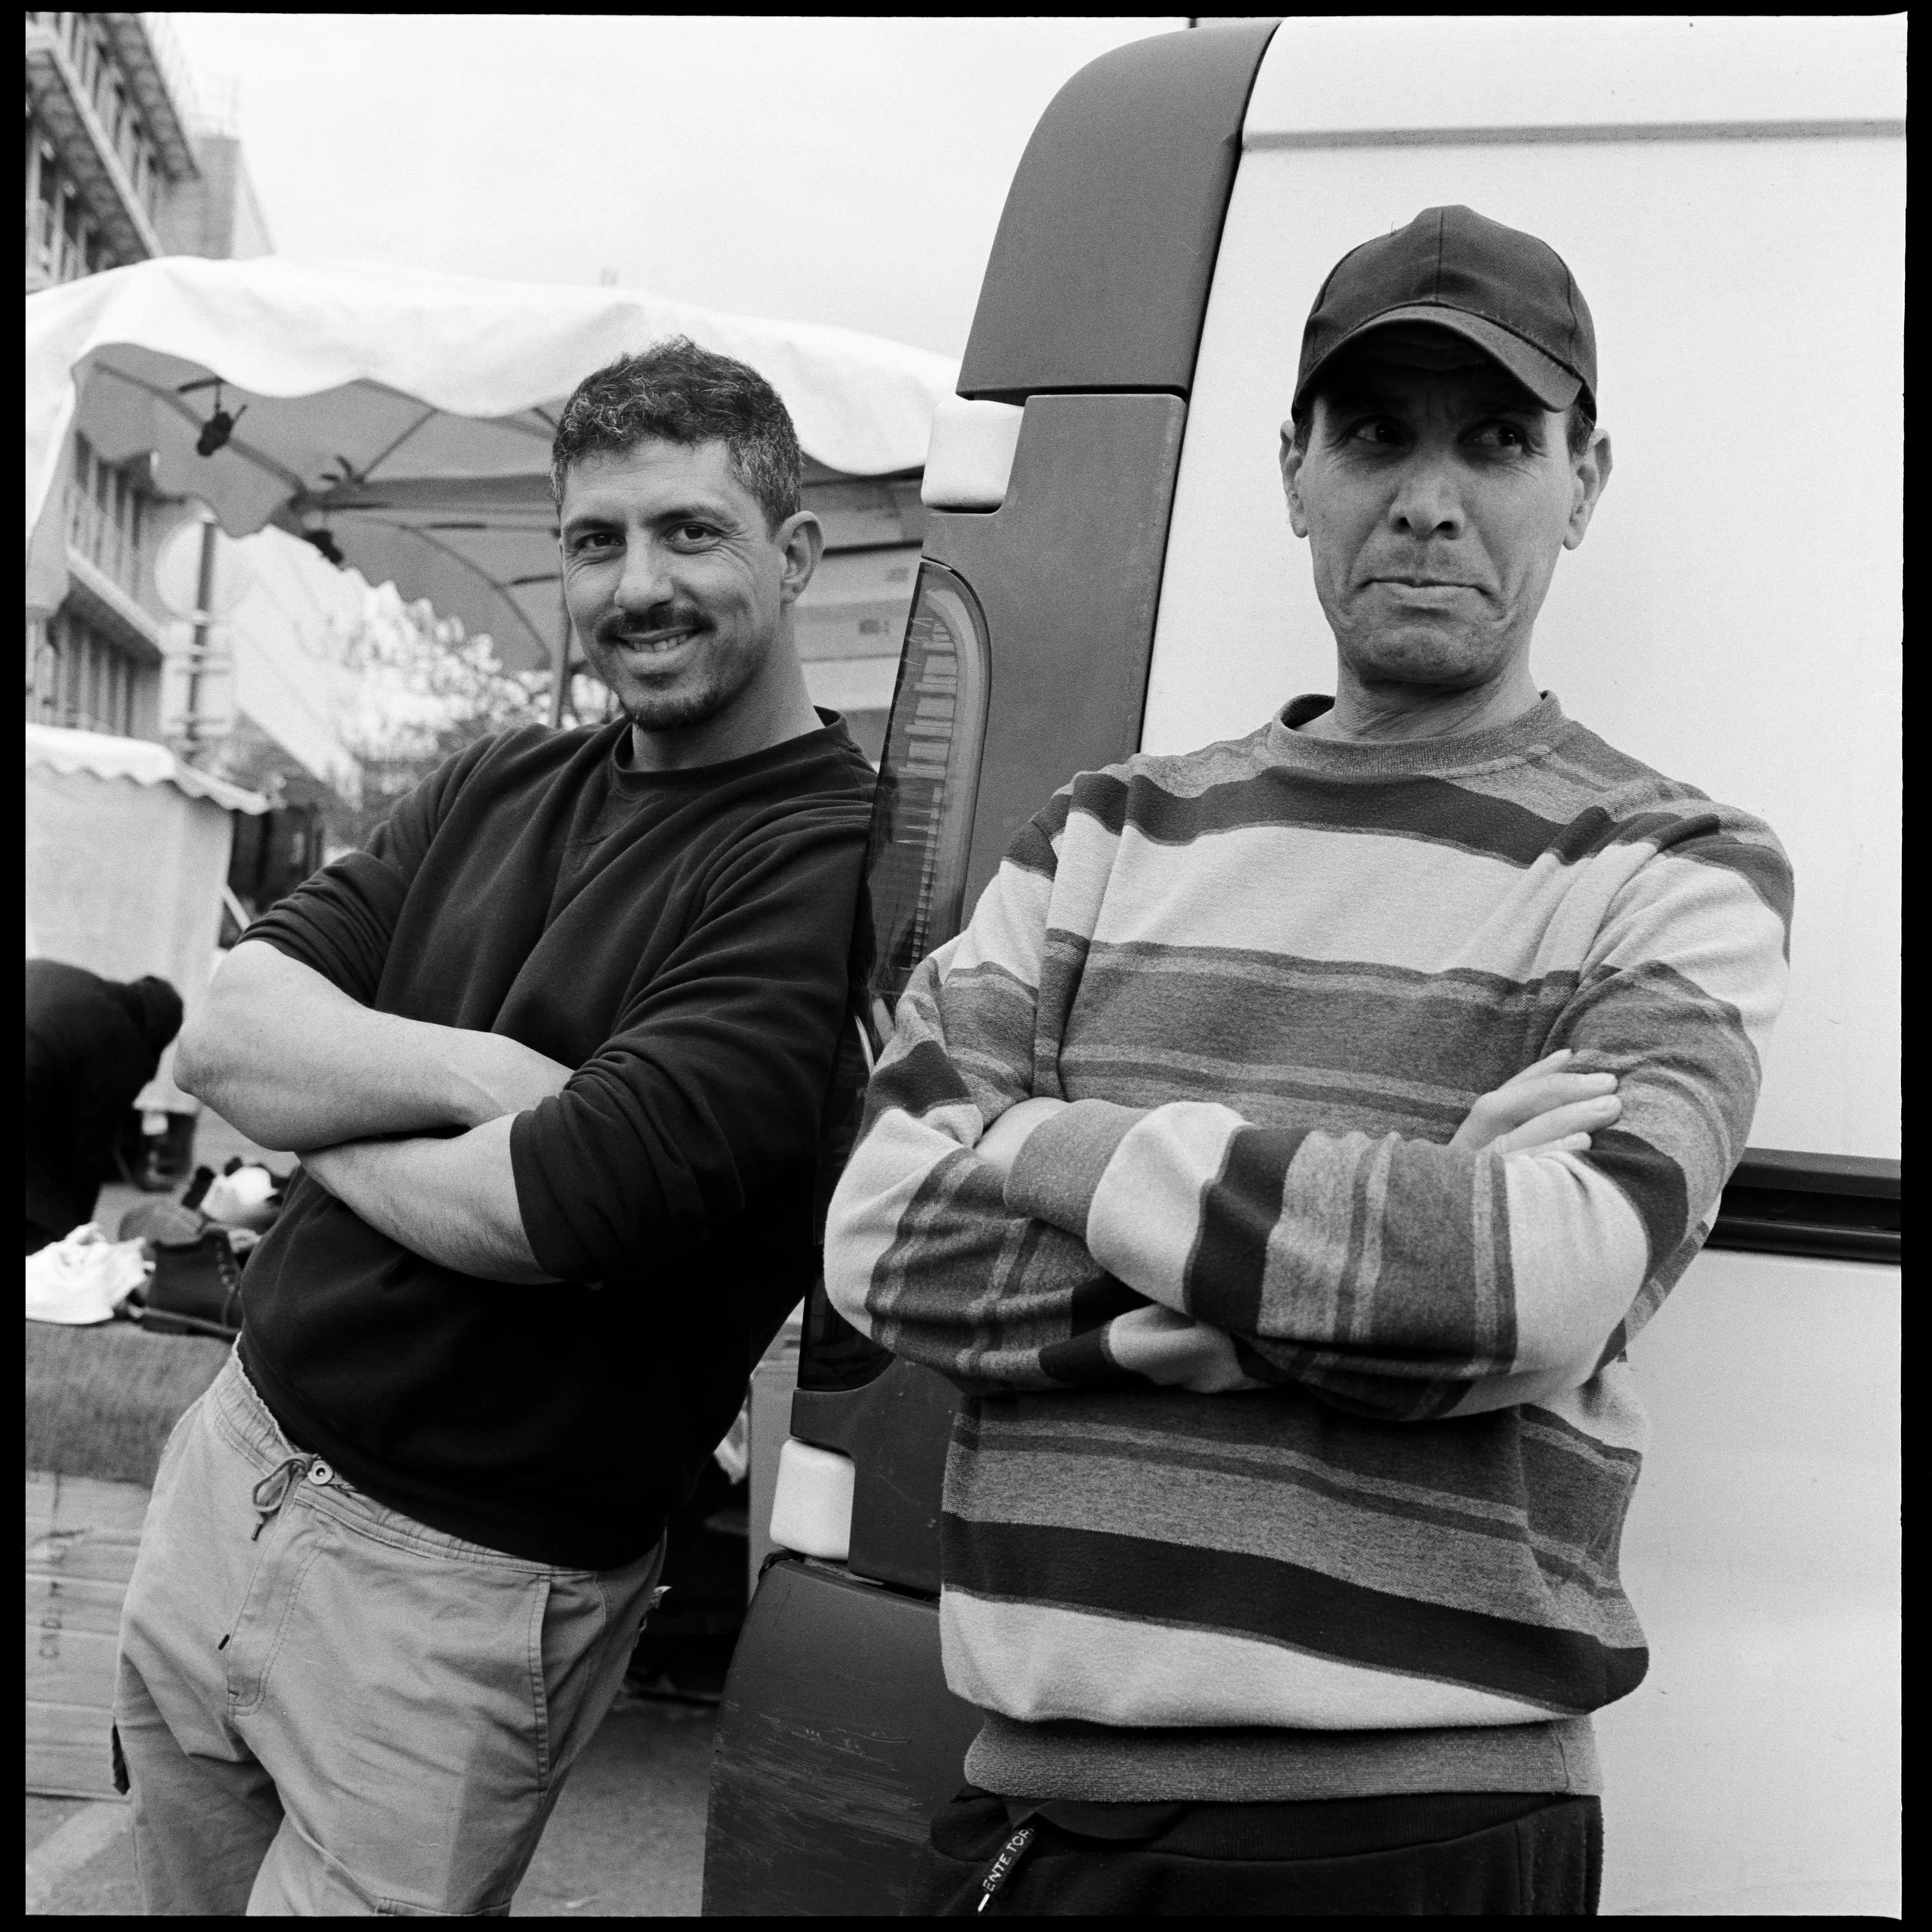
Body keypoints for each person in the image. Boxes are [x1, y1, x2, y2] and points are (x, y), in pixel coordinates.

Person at [825, 206, 1792, 1915]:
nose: (1426, 494)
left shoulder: (1670, 862)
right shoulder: (1097, 832)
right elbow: (879, 1234)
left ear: (1584, 478)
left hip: (1418, 1834)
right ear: (1290, 467)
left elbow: (1535, 1282)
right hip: (1031, 1821)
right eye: (1370, 433)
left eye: (1495, 438)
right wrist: (1365, 1253)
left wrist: (1049, 1138)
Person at [114, 338, 875, 1915]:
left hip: (460, 1590)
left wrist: (320, 1115)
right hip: (233, 1464)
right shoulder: (495, 778)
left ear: (791, 554)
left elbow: (561, 1209)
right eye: (595, 540)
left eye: (687, 531)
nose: (634, 584)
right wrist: (474, 1075)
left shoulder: (825, 864)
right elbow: (226, 1029)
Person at [25, 959, 182, 1252]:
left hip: (36, 1062)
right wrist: (76, 1234)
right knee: (40, 1195)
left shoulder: (85, 988)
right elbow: (89, 1147)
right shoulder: (123, 1037)